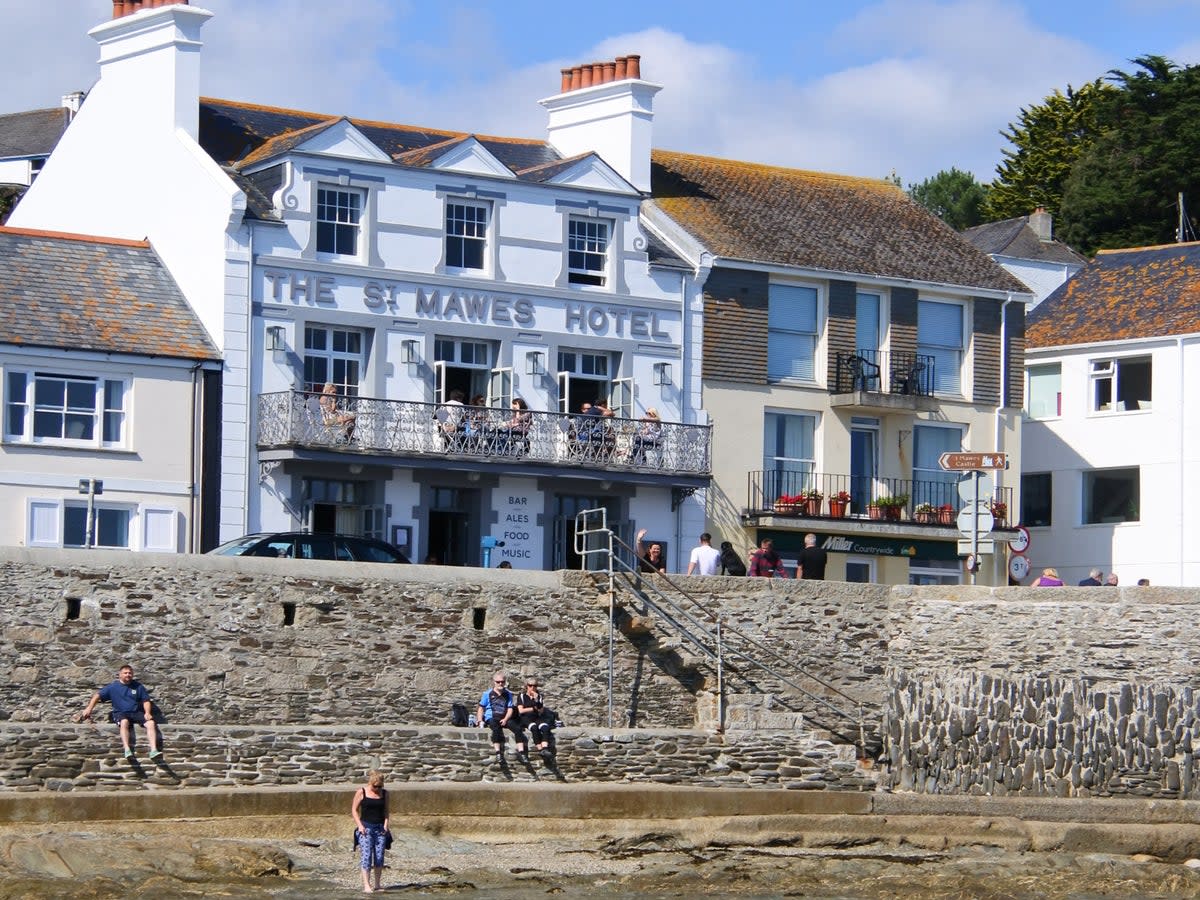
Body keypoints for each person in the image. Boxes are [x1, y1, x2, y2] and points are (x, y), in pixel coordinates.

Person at [76, 664, 162, 760]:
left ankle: (153, 750)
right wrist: (89, 709)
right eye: (125, 673)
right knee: (124, 722)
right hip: (120, 712)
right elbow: (97, 696)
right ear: (120, 674)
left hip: (135, 712)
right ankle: (127, 749)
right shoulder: (113, 687)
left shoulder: (138, 686)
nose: (128, 675)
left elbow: (146, 700)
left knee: (151, 723)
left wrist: (147, 712)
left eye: (130, 673)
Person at [351, 769, 390, 893]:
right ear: (370, 783)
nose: (377, 789)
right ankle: (366, 885)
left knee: (379, 857)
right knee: (366, 856)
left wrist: (386, 825)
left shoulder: (385, 793)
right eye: (375, 786)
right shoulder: (361, 792)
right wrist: (360, 826)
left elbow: (386, 811)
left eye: (379, 786)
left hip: (380, 828)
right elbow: (354, 810)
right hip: (366, 828)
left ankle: (377, 884)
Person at [478, 670, 525, 764]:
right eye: (498, 682)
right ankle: (498, 752)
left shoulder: (508, 694)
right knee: (496, 728)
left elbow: (510, 708)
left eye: (502, 682)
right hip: (492, 717)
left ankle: (522, 752)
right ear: (494, 682)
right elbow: (481, 708)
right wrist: (479, 720)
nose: (500, 683)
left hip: (504, 717)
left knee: (518, 728)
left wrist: (506, 719)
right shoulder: (487, 694)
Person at [515, 676, 554, 764]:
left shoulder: (539, 696)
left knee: (545, 727)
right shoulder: (522, 696)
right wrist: (533, 708)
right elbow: (521, 710)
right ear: (526, 686)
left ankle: (545, 749)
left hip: (537, 717)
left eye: (535, 686)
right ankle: (540, 749)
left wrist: (536, 700)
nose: (532, 688)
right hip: (526, 718)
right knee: (534, 728)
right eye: (530, 685)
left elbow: (541, 710)